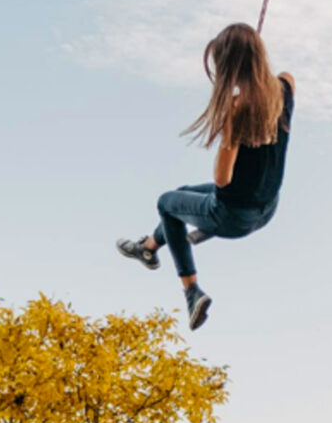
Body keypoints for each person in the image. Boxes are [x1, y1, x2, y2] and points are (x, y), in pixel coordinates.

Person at [117, 22, 295, 330]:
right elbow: (270, 84)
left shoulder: (236, 108)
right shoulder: (285, 86)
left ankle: (191, 291)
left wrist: (228, 132)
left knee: (165, 202)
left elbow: (222, 178)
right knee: (182, 193)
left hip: (233, 216)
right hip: (267, 208)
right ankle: (148, 248)